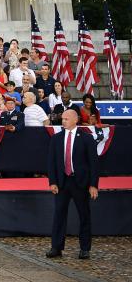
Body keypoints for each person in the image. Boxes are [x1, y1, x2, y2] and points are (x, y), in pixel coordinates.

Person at [46, 109, 99, 259]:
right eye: (62, 119)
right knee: (59, 215)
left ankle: (85, 248)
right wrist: (53, 182)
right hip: (62, 182)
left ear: (76, 120)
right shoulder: (56, 138)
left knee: (84, 215)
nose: (63, 121)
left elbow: (94, 164)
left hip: (80, 183)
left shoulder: (87, 139)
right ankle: (56, 247)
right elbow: (51, 162)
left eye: (66, 119)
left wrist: (93, 184)